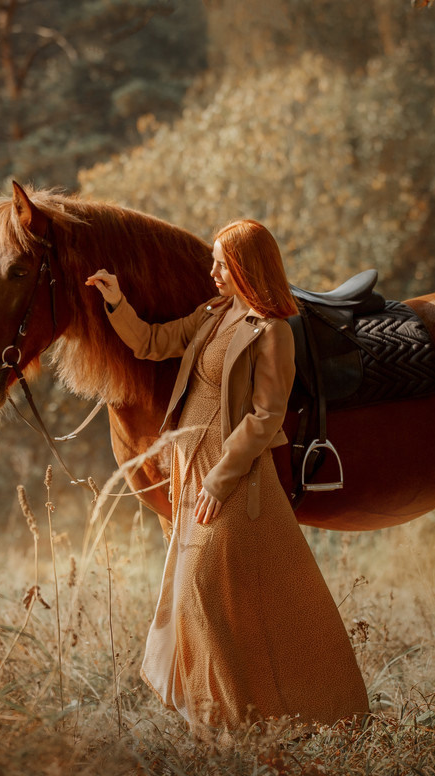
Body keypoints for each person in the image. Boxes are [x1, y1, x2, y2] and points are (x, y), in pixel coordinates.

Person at [85, 219, 369, 735]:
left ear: (246, 267)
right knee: (207, 597)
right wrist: (116, 301)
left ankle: (251, 721)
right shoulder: (213, 315)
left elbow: (266, 417)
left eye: (221, 263)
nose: (212, 272)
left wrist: (220, 480)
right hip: (191, 470)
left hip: (232, 476)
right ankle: (222, 722)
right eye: (214, 262)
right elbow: (151, 342)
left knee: (203, 590)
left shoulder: (272, 331)